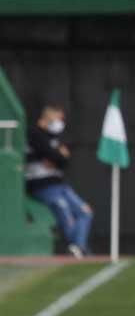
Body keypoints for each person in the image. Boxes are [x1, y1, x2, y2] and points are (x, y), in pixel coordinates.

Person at [24, 105, 93, 258]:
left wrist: (57, 157)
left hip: (60, 184)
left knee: (85, 212)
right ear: (47, 117)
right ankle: (81, 249)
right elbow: (54, 155)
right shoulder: (34, 133)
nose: (60, 123)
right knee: (65, 215)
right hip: (42, 186)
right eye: (58, 118)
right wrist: (57, 156)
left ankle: (78, 248)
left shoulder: (54, 137)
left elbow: (64, 160)